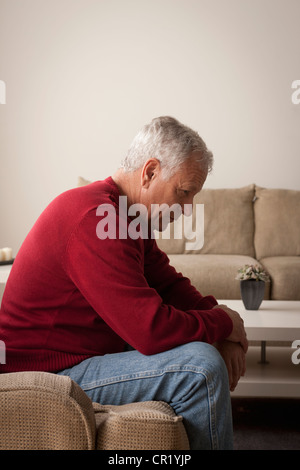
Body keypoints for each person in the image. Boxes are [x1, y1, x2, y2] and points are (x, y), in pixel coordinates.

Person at [0, 116, 247, 449]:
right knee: (201, 369)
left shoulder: (126, 217)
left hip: (83, 354)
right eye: (184, 193)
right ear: (149, 172)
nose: (187, 210)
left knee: (200, 349)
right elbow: (151, 331)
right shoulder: (96, 219)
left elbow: (169, 285)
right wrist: (222, 323)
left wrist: (221, 320)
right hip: (47, 372)